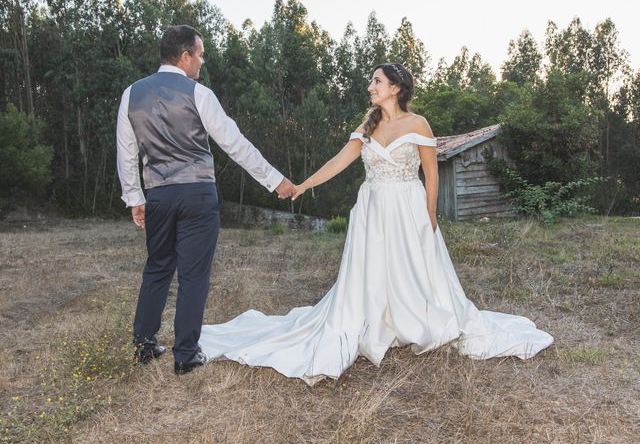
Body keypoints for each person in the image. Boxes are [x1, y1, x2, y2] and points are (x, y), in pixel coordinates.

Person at [198, 62, 553, 385]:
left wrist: (429, 216)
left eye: (377, 81)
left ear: (396, 88)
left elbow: (432, 174)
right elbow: (338, 162)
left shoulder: (418, 124)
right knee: (372, 270)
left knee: (414, 270)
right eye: (372, 81)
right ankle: (377, 322)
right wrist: (304, 184)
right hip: (373, 209)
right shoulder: (367, 126)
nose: (371, 86)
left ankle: (416, 320)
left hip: (409, 207)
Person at [116, 25, 296, 375]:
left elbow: (126, 153)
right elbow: (236, 144)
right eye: (199, 54)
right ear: (184, 56)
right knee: (194, 275)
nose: (202, 60)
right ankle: (184, 355)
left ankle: (144, 346)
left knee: (157, 267)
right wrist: (275, 181)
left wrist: (135, 198)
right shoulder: (199, 93)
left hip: (158, 195)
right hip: (197, 194)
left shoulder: (131, 94)